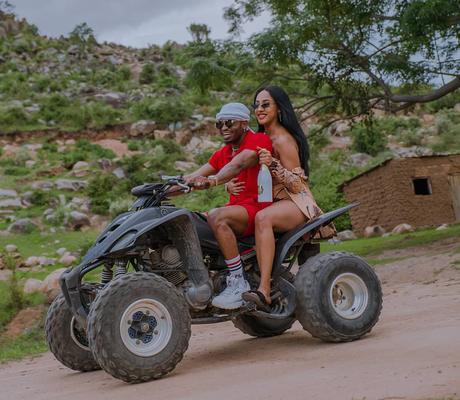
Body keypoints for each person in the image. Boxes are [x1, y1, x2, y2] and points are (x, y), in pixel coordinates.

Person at [221, 85, 335, 311]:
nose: (259, 109)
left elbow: (297, 184)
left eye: (266, 104)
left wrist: (273, 164)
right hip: (270, 202)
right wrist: (228, 185)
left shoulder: (283, 139)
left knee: (262, 218)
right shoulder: (259, 139)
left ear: (279, 108)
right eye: (256, 105)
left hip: (294, 203)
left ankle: (263, 290)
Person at [185, 102, 273, 310]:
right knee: (187, 220)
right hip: (237, 210)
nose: (223, 127)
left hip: (257, 210)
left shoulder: (258, 140)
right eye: (219, 124)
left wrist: (213, 181)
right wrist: (163, 188)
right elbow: (194, 175)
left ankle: (237, 279)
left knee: (217, 216)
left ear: (244, 123)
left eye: (229, 122)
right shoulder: (223, 152)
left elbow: (238, 164)